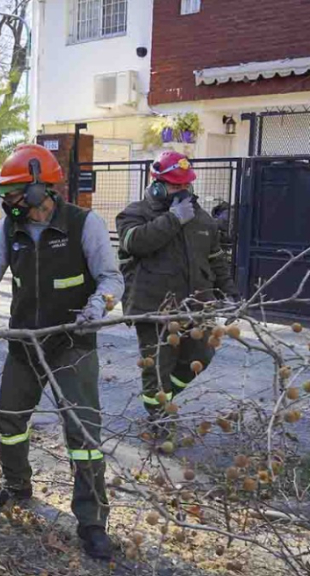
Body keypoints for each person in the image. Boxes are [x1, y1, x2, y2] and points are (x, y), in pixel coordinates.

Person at [0, 144, 124, 560]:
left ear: (37, 191)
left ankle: (91, 520)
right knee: (10, 419)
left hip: (72, 344)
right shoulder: (8, 230)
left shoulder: (84, 224)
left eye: (11, 193)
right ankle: (17, 486)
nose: (4, 202)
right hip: (24, 343)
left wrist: (97, 306)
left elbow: (111, 279)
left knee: (83, 433)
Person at [115, 151, 237, 434]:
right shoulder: (134, 214)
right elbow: (135, 244)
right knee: (157, 367)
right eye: (174, 186)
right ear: (156, 184)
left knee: (202, 357)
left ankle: (165, 399)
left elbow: (216, 259)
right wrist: (172, 219)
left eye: (185, 186)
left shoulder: (202, 220)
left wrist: (230, 292)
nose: (182, 192)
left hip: (197, 306)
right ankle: (160, 422)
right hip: (154, 308)